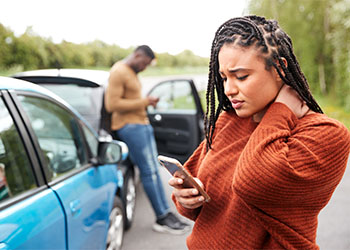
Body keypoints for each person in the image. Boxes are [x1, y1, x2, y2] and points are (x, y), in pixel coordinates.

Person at [168, 15, 350, 249]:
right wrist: (187, 201)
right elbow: (200, 199)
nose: (229, 89)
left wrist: (281, 111)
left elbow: (253, 182)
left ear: (279, 68)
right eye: (224, 78)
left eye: (241, 76)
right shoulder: (228, 121)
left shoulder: (326, 134)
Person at [104, 45, 190, 234]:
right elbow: (112, 104)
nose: (144, 67)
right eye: (143, 63)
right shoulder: (119, 71)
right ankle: (161, 218)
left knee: (154, 171)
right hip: (130, 127)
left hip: (141, 125)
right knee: (148, 172)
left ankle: (167, 213)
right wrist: (145, 102)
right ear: (137, 55)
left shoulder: (131, 72)